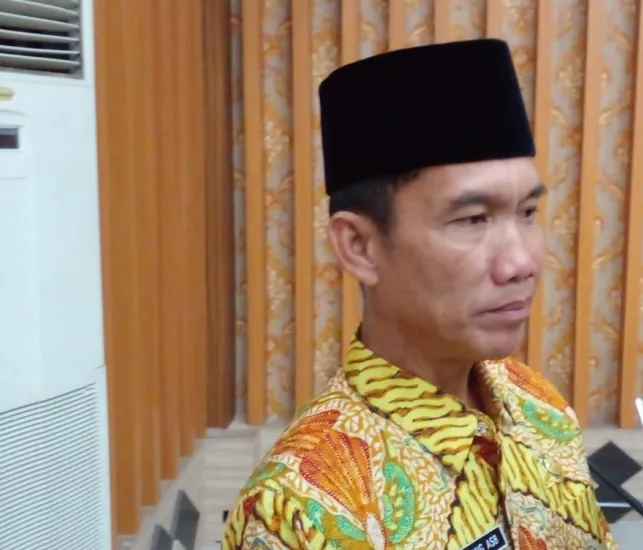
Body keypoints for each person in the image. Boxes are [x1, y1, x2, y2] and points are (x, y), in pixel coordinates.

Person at [220, 39, 617, 550]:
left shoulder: (536, 402)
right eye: (472, 219)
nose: (521, 262)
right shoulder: (302, 510)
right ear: (359, 246)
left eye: (527, 213)